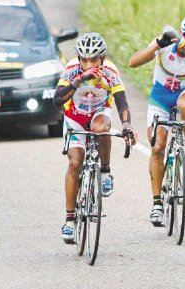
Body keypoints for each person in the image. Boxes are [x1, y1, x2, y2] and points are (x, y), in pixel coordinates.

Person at [54, 32, 137, 243]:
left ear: (103, 58)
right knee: (75, 163)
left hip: (99, 113)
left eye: (93, 59)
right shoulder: (72, 69)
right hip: (74, 117)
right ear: (79, 59)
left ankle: (106, 171)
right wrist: (77, 81)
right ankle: (70, 220)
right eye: (84, 59)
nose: (88, 63)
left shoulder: (110, 71)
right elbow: (57, 100)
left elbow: (122, 102)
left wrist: (127, 126)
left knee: (101, 128)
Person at [128, 15, 185, 227]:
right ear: (181, 33)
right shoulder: (166, 43)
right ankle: (157, 204)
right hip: (161, 97)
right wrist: (157, 44)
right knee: (157, 147)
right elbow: (133, 62)